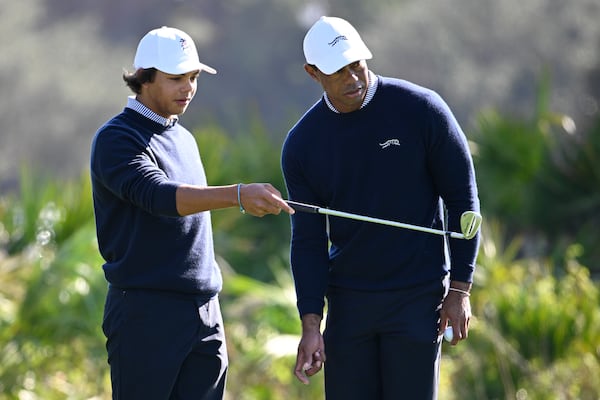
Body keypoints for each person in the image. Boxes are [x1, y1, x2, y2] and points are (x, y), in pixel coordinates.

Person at [281, 16, 481, 399]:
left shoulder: (422, 109)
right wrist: (311, 323)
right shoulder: (303, 144)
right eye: (338, 71)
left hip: (418, 298)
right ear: (312, 73)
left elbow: (462, 200)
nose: (353, 78)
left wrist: (460, 289)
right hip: (349, 303)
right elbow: (307, 240)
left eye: (357, 64)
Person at [90, 26, 294, 399]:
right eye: (176, 79)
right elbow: (159, 197)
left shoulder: (184, 138)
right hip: (145, 314)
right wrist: (237, 194)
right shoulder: (116, 138)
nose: (188, 88)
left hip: (204, 313)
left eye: (193, 77)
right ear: (145, 79)